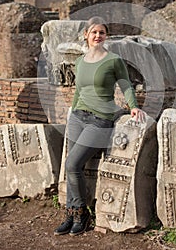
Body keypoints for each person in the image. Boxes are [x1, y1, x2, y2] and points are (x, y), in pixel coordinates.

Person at [54, 16, 145, 236]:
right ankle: (71, 214)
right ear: (86, 35)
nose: (97, 36)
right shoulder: (80, 61)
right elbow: (78, 91)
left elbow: (125, 84)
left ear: (106, 37)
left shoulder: (113, 60)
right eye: (93, 32)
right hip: (77, 117)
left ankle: (82, 214)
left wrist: (133, 106)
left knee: (72, 164)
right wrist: (72, 113)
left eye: (101, 33)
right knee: (73, 167)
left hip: (100, 120)